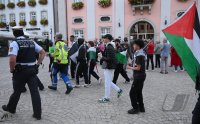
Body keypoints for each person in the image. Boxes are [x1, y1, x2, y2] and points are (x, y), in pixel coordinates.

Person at [1, 26, 45, 120]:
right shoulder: (31, 42)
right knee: (35, 92)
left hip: (20, 71)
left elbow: (12, 60)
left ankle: (11, 108)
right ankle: (38, 114)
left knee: (17, 91)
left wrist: (12, 70)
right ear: (22, 32)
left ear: (14, 33)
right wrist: (37, 64)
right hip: (32, 70)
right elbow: (43, 52)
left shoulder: (14, 43)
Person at [98, 34, 123, 103]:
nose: (103, 39)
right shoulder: (110, 46)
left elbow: (110, 58)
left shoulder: (109, 46)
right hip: (110, 66)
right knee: (108, 81)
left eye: (104, 38)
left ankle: (107, 98)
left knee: (107, 82)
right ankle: (118, 90)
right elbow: (110, 56)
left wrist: (101, 57)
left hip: (109, 66)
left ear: (108, 38)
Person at [127, 39, 146, 114]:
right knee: (138, 92)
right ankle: (141, 108)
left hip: (139, 76)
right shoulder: (139, 53)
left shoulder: (139, 55)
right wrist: (132, 64)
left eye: (134, 44)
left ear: (138, 46)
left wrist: (129, 67)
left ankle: (135, 108)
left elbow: (138, 68)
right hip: (140, 76)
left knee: (132, 93)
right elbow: (137, 65)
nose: (133, 46)